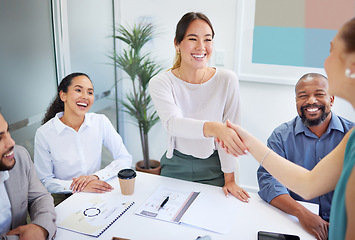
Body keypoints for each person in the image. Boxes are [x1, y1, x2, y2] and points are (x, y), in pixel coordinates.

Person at [222, 17, 355, 240]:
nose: (325, 61)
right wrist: (247, 140)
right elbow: (308, 184)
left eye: (333, 52)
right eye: (303, 96)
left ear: (352, 67)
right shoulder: (350, 139)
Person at [149, 12, 249, 202]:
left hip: (215, 166)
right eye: (193, 39)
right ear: (177, 43)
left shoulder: (227, 80)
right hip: (176, 165)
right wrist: (215, 128)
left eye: (207, 40)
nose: (201, 47)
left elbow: (230, 136)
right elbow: (173, 124)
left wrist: (230, 179)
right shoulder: (161, 82)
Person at [257, 73, 354, 239]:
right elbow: (268, 181)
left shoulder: (350, 135)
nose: (311, 101)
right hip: (296, 222)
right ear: (296, 101)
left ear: (331, 99)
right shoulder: (281, 136)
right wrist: (302, 213)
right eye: (303, 96)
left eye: (319, 94)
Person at [34, 72, 132, 195]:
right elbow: (45, 181)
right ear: (63, 96)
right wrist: (78, 186)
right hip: (65, 195)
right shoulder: (44, 133)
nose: (85, 96)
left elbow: (124, 158)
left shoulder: (100, 121)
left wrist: (96, 177)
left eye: (90, 92)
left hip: (96, 188)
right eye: (78, 90)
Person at [0, 113, 56, 240]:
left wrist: (41, 227)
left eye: (8, 131)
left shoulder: (18, 157)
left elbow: (40, 197)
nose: (11, 142)